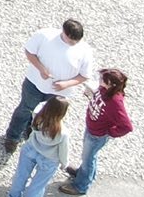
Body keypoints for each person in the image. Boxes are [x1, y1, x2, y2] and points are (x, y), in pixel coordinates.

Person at [6, 19, 97, 152]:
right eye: (71, 41)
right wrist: (41, 69)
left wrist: (67, 84)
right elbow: (29, 52)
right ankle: (12, 137)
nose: (73, 44)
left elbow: (85, 75)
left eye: (76, 42)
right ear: (64, 32)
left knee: (48, 116)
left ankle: (33, 134)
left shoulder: (85, 51)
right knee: (25, 110)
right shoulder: (45, 35)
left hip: (59, 92)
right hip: (34, 83)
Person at [64, 66, 132, 195]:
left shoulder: (116, 102)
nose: (99, 80)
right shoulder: (104, 89)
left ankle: (81, 186)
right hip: (92, 129)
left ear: (111, 84)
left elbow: (126, 126)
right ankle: (83, 174)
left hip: (97, 135)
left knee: (88, 158)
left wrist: (111, 132)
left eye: (102, 79)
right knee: (88, 157)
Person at [9, 96, 70, 197]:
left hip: (30, 149)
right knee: (38, 184)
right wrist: (65, 164)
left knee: (21, 175)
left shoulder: (37, 116)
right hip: (49, 159)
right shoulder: (62, 132)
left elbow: (40, 105)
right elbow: (63, 151)